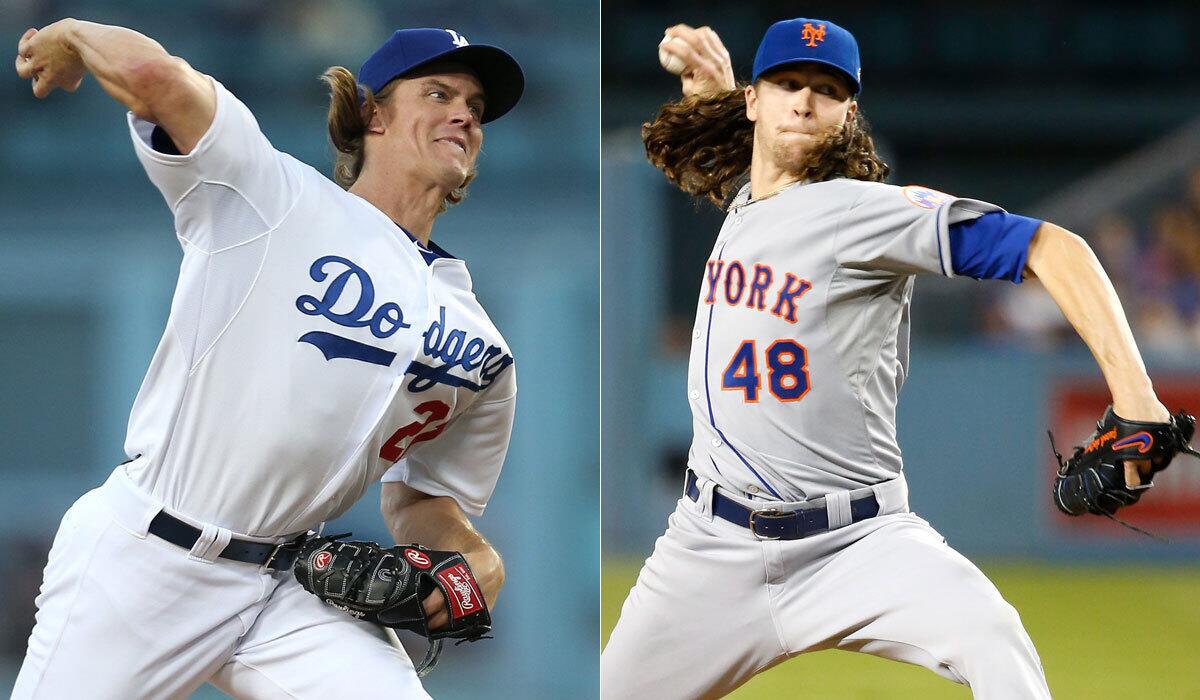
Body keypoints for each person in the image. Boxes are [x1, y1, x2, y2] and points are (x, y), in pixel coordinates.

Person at [601, 17, 1176, 699]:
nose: (806, 101)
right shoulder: (750, 201)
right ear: (753, 101)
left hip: (856, 544)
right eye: (788, 82)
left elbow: (1056, 248)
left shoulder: (862, 213)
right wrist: (718, 92)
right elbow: (764, 187)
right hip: (708, 548)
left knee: (994, 639)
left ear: (849, 116)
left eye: (827, 89)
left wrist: (1138, 397)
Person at [13, 18, 522, 699]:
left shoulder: (481, 345)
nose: (464, 113)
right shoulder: (273, 198)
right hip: (146, 558)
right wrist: (73, 33)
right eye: (438, 93)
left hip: (289, 586)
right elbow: (156, 79)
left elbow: (421, 498)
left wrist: (475, 558)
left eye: (476, 107)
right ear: (371, 112)